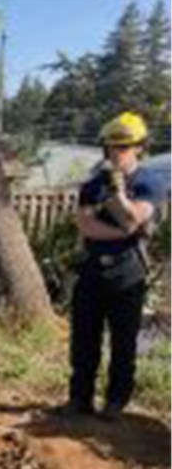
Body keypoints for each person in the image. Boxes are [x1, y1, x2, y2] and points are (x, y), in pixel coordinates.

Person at [66, 112, 164, 420]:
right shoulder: (92, 185)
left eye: (124, 146)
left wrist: (118, 196)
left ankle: (115, 403)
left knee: (123, 342)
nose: (116, 153)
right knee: (84, 340)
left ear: (139, 148)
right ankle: (79, 400)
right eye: (111, 147)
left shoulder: (151, 182)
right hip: (93, 268)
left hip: (128, 271)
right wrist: (122, 230)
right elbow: (85, 225)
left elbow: (137, 217)